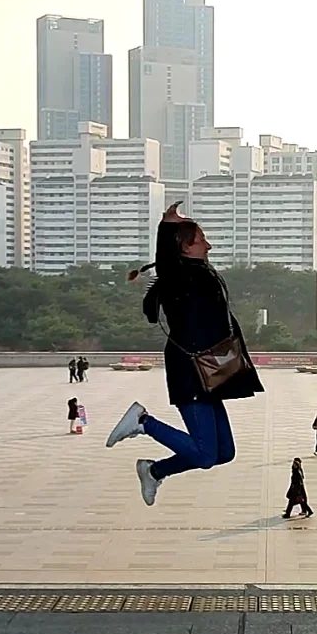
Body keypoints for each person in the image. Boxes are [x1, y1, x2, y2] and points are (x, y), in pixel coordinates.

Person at [105, 210, 263, 506]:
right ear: (184, 246)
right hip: (189, 371)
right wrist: (167, 225)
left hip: (210, 370)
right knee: (204, 455)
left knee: (223, 453)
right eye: (202, 240)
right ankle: (143, 422)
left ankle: (153, 470)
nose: (209, 245)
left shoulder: (201, 272)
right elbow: (166, 258)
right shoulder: (177, 275)